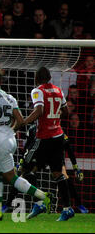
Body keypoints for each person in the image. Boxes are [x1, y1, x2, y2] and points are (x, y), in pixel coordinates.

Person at [0, 68, 51, 221]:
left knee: (11, 177)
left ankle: (42, 196)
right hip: (10, 139)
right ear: (1, 82)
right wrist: (10, 131)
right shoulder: (10, 98)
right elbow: (21, 121)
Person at [21, 66, 75, 221]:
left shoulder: (37, 91)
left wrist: (23, 122)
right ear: (50, 78)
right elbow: (65, 112)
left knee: (26, 169)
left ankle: (39, 203)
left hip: (43, 137)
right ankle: (67, 208)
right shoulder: (58, 90)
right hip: (58, 135)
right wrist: (54, 119)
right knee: (58, 173)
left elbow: (39, 110)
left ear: (36, 79)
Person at [3, 125, 88, 214]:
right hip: (39, 155)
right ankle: (8, 204)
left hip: (53, 155)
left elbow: (68, 148)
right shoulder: (32, 130)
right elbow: (27, 147)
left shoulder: (56, 129)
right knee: (24, 176)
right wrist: (21, 162)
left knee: (64, 176)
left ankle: (78, 205)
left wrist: (75, 167)